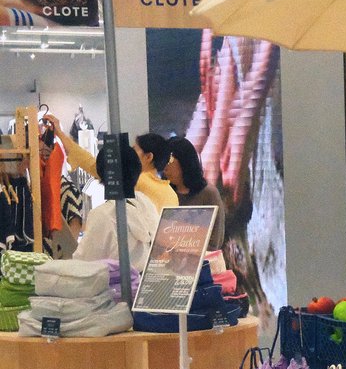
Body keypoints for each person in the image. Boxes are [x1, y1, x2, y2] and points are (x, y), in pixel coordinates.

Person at [45, 114, 179, 210]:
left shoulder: (137, 181)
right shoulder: (171, 194)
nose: (130, 153)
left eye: (134, 150)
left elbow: (92, 165)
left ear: (148, 157)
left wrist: (60, 134)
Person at [74, 135, 159, 266]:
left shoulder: (103, 214)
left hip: (115, 279)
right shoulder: (146, 203)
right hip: (145, 276)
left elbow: (84, 263)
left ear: (101, 174)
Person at [166, 136, 225, 250]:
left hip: (202, 258)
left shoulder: (208, 194)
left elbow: (215, 240)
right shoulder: (165, 192)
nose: (165, 168)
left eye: (169, 161)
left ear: (184, 161)